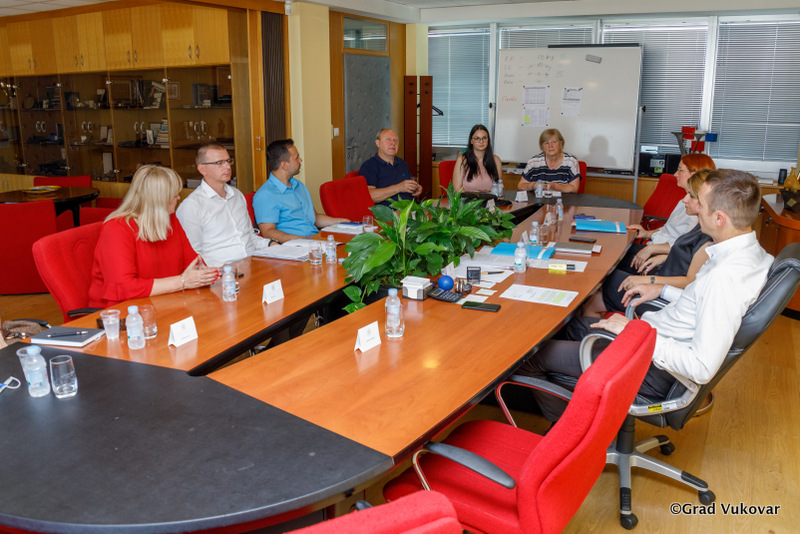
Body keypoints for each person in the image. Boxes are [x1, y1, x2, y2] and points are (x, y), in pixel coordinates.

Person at [521, 169, 773, 421]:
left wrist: (632, 331)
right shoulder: (750, 254)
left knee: (530, 357)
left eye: (702, 205)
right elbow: (700, 301)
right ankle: (578, 405)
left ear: (719, 218)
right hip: (650, 339)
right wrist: (661, 289)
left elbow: (701, 367)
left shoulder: (725, 278)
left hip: (650, 366)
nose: (696, 209)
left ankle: (573, 436)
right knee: (572, 326)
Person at [585, 169, 714, 316]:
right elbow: (689, 257)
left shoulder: (707, 238)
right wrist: (664, 257)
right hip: (662, 279)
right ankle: (588, 322)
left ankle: (586, 324)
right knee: (601, 284)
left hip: (663, 296)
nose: (684, 199)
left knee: (603, 278)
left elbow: (689, 282)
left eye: (690, 195)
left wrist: (649, 280)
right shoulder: (700, 227)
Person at [88, 165, 218, 308]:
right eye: (174, 194)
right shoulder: (116, 229)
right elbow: (125, 287)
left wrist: (201, 274)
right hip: (122, 312)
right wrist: (182, 281)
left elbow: (193, 264)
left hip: (165, 302)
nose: (178, 197)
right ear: (159, 199)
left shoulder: (170, 219)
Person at [177, 143, 276, 267]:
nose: (228, 167)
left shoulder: (237, 195)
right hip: (220, 272)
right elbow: (192, 254)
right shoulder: (192, 205)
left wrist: (270, 244)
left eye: (228, 161)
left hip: (252, 264)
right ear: (202, 169)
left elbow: (249, 236)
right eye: (219, 163)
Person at [622, 153, 715, 273]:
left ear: (694, 174)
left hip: (665, 257)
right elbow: (669, 230)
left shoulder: (697, 212)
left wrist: (652, 249)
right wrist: (647, 233)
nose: (675, 174)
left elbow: (685, 248)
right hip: (656, 246)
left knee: (614, 262)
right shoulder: (684, 201)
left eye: (680, 170)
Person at [253, 139, 348, 243]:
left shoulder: (299, 186)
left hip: (315, 240)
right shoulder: (265, 194)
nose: (300, 160)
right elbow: (268, 232)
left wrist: (342, 222)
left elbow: (315, 218)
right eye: (296, 158)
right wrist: (302, 240)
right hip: (296, 246)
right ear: (284, 165)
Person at [359, 129, 422, 205]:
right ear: (378, 143)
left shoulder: (402, 163)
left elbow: (407, 185)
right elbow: (369, 196)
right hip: (389, 211)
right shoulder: (369, 165)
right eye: (388, 139)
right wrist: (399, 188)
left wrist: (416, 188)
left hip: (412, 207)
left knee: (434, 204)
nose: (393, 143)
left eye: (395, 140)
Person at [518, 128, 581, 193]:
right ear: (542, 147)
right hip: (539, 198)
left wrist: (554, 186)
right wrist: (533, 185)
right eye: (546, 143)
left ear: (561, 144)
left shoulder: (571, 161)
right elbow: (521, 186)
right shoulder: (534, 162)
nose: (550, 146)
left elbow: (574, 188)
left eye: (554, 142)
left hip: (563, 199)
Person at [451, 124, 503, 193]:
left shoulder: (496, 160)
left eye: (484, 138)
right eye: (477, 138)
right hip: (468, 199)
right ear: (471, 141)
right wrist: (475, 196)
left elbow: (499, 187)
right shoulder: (462, 160)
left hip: (490, 199)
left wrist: (486, 195)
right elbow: (457, 189)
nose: (481, 142)